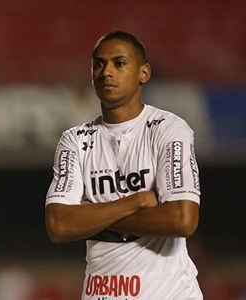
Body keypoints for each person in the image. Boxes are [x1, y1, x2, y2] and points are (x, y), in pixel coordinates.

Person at [44, 30, 203, 299]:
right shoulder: (75, 140)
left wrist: (92, 215)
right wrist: (137, 201)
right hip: (100, 293)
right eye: (98, 64)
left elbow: (182, 219)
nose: (106, 72)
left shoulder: (169, 129)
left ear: (144, 73)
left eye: (119, 63)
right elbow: (59, 225)